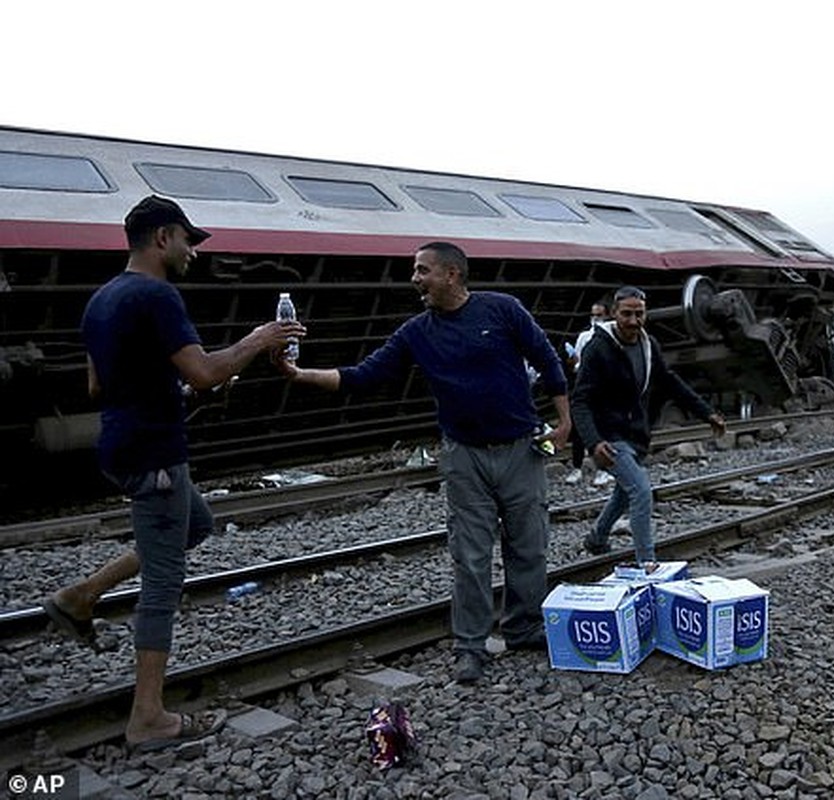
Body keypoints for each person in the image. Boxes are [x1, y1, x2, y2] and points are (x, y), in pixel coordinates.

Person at [43, 196, 304, 750]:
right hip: (154, 453)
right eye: (188, 240)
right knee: (164, 583)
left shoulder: (102, 299)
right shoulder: (158, 295)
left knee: (193, 527)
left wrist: (171, 387)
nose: (192, 251)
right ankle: (148, 718)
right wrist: (258, 340)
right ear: (163, 238)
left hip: (121, 441)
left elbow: (99, 385)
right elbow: (208, 372)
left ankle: (81, 596)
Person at [283, 242, 570, 684]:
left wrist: (565, 421)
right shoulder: (417, 332)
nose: (415, 279)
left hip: (521, 449)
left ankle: (524, 627)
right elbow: (364, 375)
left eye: (422, 270)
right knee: (470, 556)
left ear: (452, 274)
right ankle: (470, 647)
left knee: (529, 545)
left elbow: (546, 358)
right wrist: (300, 376)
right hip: (464, 456)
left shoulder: (502, 310)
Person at [571, 285, 726, 564]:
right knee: (641, 491)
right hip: (609, 436)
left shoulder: (648, 345)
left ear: (646, 314)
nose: (633, 321)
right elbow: (579, 401)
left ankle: (596, 538)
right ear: (614, 314)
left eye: (639, 314)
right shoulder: (598, 349)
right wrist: (593, 442)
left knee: (624, 491)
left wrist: (707, 413)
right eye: (626, 314)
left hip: (636, 434)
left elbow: (669, 381)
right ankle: (647, 563)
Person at [563, 300, 611, 485]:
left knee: (600, 429)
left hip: (604, 388)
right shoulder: (585, 336)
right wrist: (573, 362)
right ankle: (577, 468)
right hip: (585, 387)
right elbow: (577, 363)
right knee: (579, 430)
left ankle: (603, 470)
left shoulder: (610, 336)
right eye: (593, 315)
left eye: (599, 315)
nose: (595, 319)